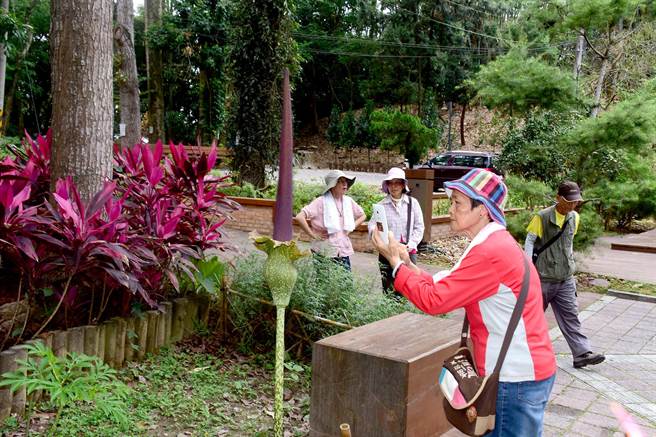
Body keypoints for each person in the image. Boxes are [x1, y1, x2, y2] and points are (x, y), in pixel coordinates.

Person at [371, 169, 556, 436]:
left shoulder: (490, 252)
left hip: (515, 378)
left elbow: (434, 300)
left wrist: (395, 264)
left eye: (458, 202)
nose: (451, 208)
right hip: (520, 372)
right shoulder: (492, 243)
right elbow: (444, 286)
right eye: (452, 201)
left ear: (482, 210)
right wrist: (408, 265)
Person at [524, 181, 605, 369]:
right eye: (569, 201)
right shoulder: (542, 217)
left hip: (565, 278)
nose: (572, 205)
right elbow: (530, 242)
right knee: (531, 317)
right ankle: (520, 352)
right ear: (558, 198)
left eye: (576, 202)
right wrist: (529, 269)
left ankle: (582, 353)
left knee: (571, 316)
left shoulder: (574, 217)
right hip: (542, 278)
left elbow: (567, 245)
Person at [294, 170, 366, 270]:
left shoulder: (348, 201)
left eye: (346, 181)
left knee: (346, 282)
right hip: (324, 250)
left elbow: (362, 216)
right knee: (325, 282)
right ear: (333, 185)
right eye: (341, 181)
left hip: (342, 250)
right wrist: (312, 235)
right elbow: (299, 217)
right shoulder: (320, 202)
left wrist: (351, 227)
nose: (345, 184)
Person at [368, 167, 424, 296]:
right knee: (388, 288)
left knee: (407, 288)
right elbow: (371, 226)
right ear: (387, 185)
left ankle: (404, 314)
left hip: (407, 252)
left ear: (403, 185)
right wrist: (376, 233)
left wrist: (410, 245)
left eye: (397, 182)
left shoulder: (413, 203)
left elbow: (419, 227)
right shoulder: (381, 205)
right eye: (391, 183)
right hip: (387, 253)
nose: (394, 186)